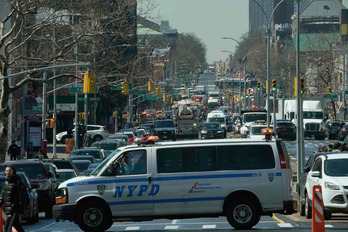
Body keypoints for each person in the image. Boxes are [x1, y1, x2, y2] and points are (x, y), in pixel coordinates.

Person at [0, 165, 26, 232]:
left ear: (13, 172)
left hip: (14, 210)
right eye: (6, 170)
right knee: (18, 227)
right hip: (8, 209)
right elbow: (2, 197)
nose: (8, 172)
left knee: (7, 228)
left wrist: (20, 209)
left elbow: (22, 197)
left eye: (9, 170)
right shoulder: (6, 182)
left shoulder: (17, 183)